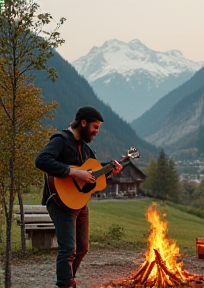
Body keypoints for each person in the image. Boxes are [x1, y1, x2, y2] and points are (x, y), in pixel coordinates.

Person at [35, 106, 123, 288]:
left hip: (79, 202)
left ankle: (69, 278)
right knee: (68, 249)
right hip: (60, 201)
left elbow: (93, 173)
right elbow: (41, 160)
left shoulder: (85, 149)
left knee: (82, 249)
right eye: (95, 127)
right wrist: (74, 173)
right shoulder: (61, 140)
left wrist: (110, 171)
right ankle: (66, 283)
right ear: (83, 123)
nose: (96, 132)